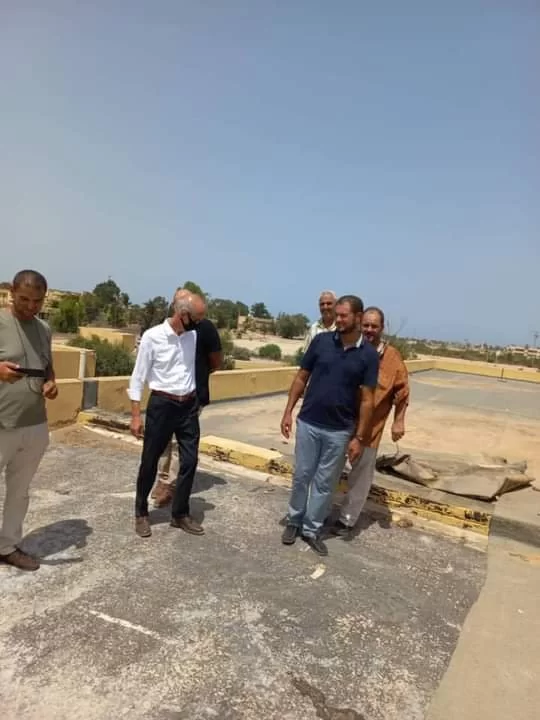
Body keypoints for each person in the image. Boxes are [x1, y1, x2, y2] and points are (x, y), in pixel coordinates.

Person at [280, 295, 379, 556]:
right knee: (302, 475)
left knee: (325, 483)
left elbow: (367, 400)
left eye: (344, 316)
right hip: (309, 422)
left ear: (358, 317)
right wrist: (288, 411)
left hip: (340, 431)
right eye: (337, 315)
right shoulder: (322, 341)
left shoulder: (369, 355)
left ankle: (311, 529)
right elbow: (301, 377)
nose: (338, 320)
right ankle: (294, 520)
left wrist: (359, 437)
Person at [129, 290, 207, 538]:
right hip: (162, 406)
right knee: (150, 461)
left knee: (190, 461)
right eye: (196, 319)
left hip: (188, 406)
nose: (199, 324)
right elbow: (138, 377)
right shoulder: (153, 337)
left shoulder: (193, 336)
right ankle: (141, 513)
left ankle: (180, 514)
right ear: (182, 314)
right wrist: (135, 415)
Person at [333, 306, 410, 536]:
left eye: (374, 326)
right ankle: (320, 510)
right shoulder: (349, 347)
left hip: (370, 428)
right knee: (330, 468)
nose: (369, 330)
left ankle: (347, 520)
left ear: (382, 328)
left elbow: (402, 392)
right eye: (365, 325)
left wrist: (398, 421)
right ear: (359, 324)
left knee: (360, 476)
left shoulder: (392, 358)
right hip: (341, 421)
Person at [0, 270, 58, 571]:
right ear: (12, 292)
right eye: (24, 299)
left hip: (34, 424)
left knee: (19, 492)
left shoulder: (44, 329)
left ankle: (7, 547)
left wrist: (51, 383)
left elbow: (48, 368)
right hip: (2, 423)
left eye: (37, 301)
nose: (31, 307)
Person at [151, 299, 223, 508]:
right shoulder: (167, 330)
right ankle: (162, 479)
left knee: (177, 443)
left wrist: (197, 376)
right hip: (168, 396)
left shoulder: (205, 329)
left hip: (193, 396)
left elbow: (216, 361)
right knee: (164, 440)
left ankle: (170, 485)